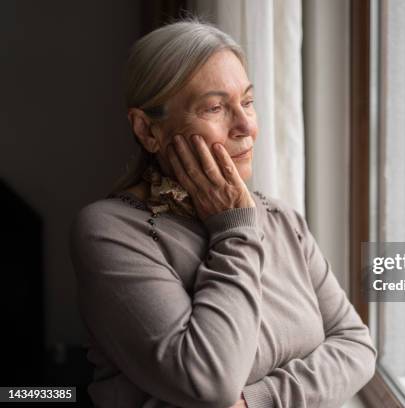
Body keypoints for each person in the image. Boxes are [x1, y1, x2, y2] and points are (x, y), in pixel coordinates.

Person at [70, 18, 376, 408]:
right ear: (148, 130)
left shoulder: (282, 219)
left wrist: (255, 402)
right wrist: (235, 230)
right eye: (215, 107)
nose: (246, 125)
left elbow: (356, 346)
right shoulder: (109, 231)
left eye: (247, 102)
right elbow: (208, 381)